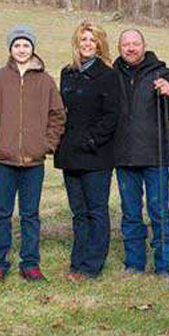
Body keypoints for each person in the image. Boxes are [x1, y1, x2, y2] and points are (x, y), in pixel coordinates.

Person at [0, 24, 65, 282]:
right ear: (10, 49)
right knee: (2, 212)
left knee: (30, 214)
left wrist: (47, 144)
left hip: (34, 161)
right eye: (17, 45)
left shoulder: (46, 81)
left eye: (26, 45)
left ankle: (30, 263)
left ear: (33, 48)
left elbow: (57, 115)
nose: (22, 49)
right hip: (3, 160)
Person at [113, 29, 169, 278]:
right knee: (130, 214)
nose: (131, 48)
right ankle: (134, 264)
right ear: (119, 48)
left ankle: (165, 267)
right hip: (124, 157)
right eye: (126, 44)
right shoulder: (112, 75)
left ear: (144, 46)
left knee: (159, 212)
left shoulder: (162, 72)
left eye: (135, 43)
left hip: (155, 157)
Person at [54, 23, 120, 282]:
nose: (88, 43)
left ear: (100, 44)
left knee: (96, 210)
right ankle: (77, 261)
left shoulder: (108, 76)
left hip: (96, 155)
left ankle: (92, 265)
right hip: (70, 154)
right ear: (77, 42)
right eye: (83, 39)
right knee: (78, 211)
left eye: (93, 39)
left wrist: (92, 140)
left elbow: (112, 115)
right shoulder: (67, 73)